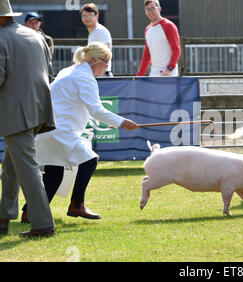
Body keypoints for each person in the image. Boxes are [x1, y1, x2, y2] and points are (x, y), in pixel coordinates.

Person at [20, 42, 139, 222]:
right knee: (89, 160)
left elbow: (74, 105)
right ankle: (77, 204)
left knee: (54, 174)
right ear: (94, 60)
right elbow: (96, 110)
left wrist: (114, 123)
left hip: (47, 129)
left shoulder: (69, 71)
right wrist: (122, 122)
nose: (107, 67)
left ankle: (30, 212)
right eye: (106, 62)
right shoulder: (84, 77)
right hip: (59, 130)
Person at [0, 0, 56, 238]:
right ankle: (4, 217)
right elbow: (50, 73)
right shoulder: (35, 36)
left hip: (14, 112)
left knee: (27, 168)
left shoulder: (1, 38)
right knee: (11, 168)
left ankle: (43, 224)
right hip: (38, 109)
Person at [136, 0, 180, 77]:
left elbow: (176, 49)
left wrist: (170, 68)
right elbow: (147, 55)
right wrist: (139, 76)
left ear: (159, 9)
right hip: (153, 74)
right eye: (147, 10)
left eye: (152, 9)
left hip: (168, 74)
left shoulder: (169, 26)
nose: (150, 12)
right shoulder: (147, 29)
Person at [81, 3, 113, 77]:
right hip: (95, 73)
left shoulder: (101, 31)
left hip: (102, 74)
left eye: (90, 15)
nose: (87, 18)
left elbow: (106, 54)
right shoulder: (93, 32)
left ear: (97, 16)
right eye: (84, 16)